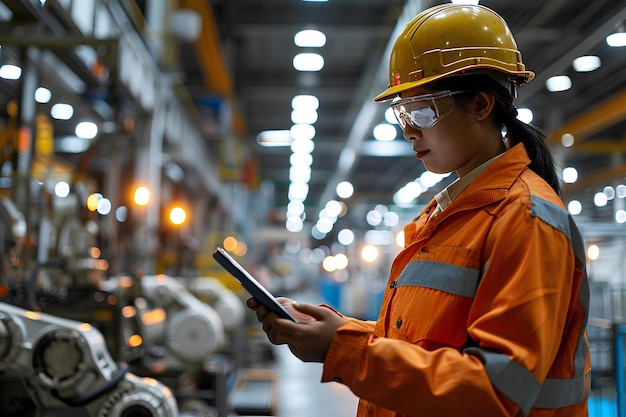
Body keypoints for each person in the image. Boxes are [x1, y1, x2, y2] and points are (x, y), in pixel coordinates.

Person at [247, 4, 590, 416]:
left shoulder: (525, 219)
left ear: (480, 104)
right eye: (401, 113)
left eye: (421, 111)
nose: (408, 129)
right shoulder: (449, 215)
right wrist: (336, 332)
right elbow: (422, 342)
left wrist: (348, 350)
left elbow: (496, 391)